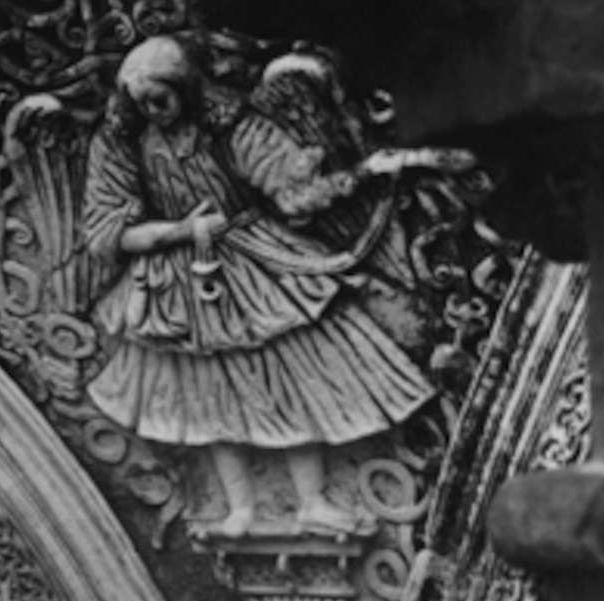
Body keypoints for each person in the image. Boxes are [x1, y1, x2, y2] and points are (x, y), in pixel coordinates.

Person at [79, 36, 432, 537]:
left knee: (290, 377)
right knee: (209, 396)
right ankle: (240, 511)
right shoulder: (124, 146)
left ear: (188, 87)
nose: (154, 112)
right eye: (141, 105)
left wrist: (355, 177)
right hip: (179, 285)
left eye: (162, 99)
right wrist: (181, 232)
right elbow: (106, 237)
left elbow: (290, 190)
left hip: (252, 266)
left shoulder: (232, 128)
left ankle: (312, 501)